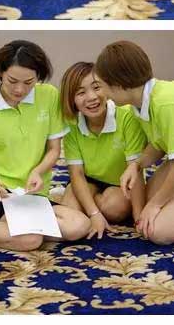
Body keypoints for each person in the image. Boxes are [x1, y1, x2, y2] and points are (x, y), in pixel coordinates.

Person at [0, 41, 90, 251]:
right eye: (12, 81)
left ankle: (2, 230)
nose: (20, 89)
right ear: (0, 73)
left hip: (35, 195)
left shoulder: (48, 95)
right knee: (30, 240)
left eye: (29, 82)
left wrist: (38, 172)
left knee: (79, 225)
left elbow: (54, 149)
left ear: (38, 77)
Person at [93, 41, 174, 245]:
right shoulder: (138, 103)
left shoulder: (166, 105)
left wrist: (155, 206)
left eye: (101, 86)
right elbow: (159, 143)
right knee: (148, 204)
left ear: (118, 85)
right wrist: (136, 165)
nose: (101, 94)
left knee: (157, 231)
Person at [59, 61, 147, 239]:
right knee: (70, 210)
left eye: (96, 87)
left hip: (121, 182)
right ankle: (82, 202)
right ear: (71, 100)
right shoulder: (71, 124)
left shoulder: (127, 116)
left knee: (115, 209)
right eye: (81, 93)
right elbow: (77, 174)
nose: (91, 97)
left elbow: (135, 170)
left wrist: (138, 216)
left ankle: (79, 201)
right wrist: (94, 214)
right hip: (87, 179)